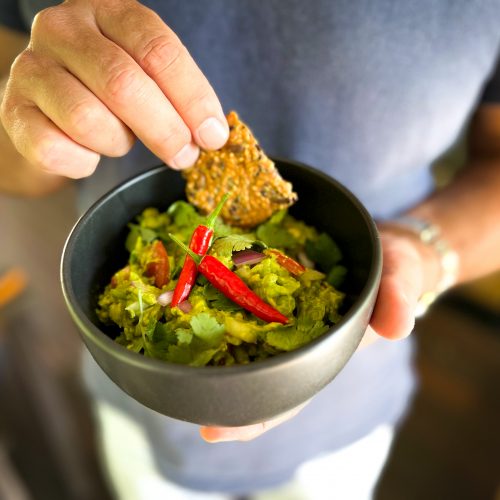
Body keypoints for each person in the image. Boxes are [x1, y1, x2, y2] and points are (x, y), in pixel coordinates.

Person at [1, 1, 499, 498]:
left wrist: (423, 248)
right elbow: (11, 163)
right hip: (144, 418)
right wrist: (30, 123)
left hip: (347, 412)